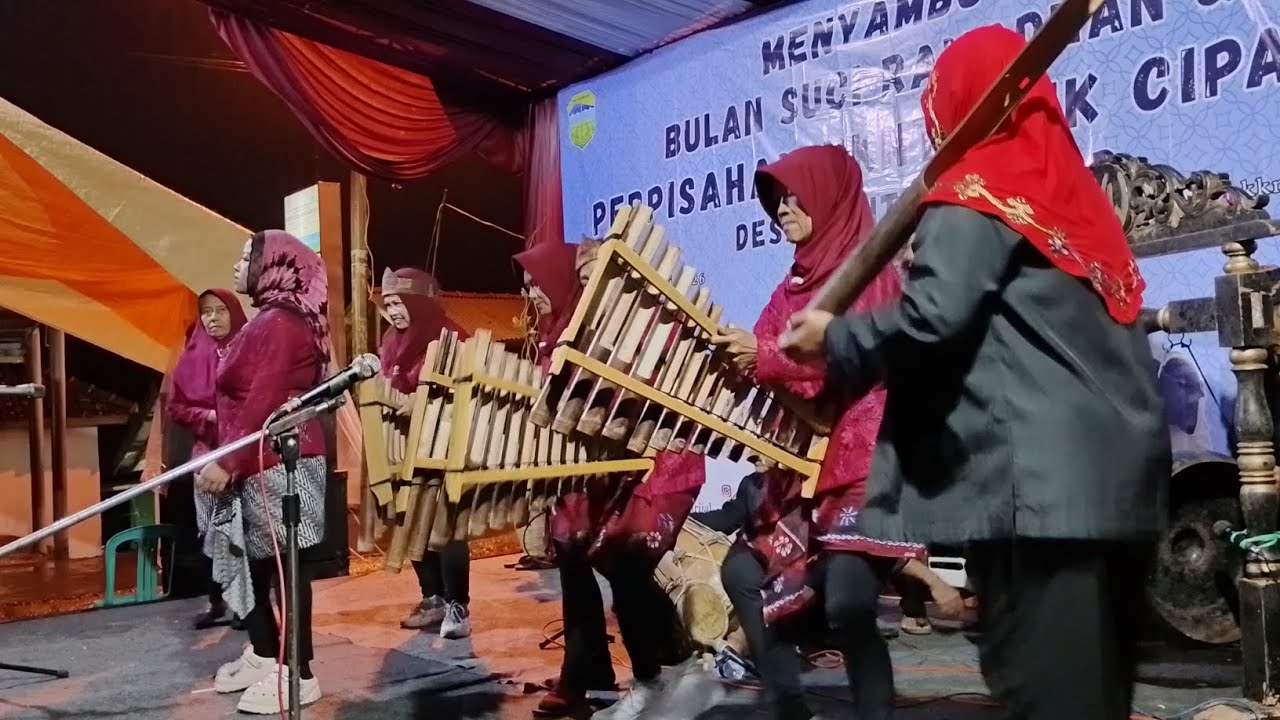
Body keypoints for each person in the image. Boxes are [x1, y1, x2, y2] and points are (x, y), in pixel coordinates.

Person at [782, 26, 1168, 720]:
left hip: (1037, 493)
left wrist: (834, 336)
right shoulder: (1072, 205)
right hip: (1110, 488)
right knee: (1094, 693)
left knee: (1044, 692)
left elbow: (932, 318)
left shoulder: (978, 187)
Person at [712, 144, 954, 720]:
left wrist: (765, 356)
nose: (783, 209)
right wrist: (737, 361)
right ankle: (790, 705)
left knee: (847, 600)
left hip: (865, 462)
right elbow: (770, 358)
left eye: (796, 196)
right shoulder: (789, 288)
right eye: (776, 199)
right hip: (804, 469)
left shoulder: (871, 278)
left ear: (829, 197)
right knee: (740, 572)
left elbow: (849, 357)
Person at [515, 241, 705, 720]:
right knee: (618, 570)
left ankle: (669, 674)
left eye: (600, 270)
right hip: (616, 472)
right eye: (584, 275)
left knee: (625, 567)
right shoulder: (576, 328)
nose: (592, 282)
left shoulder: (659, 324)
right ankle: (661, 677)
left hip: (665, 465)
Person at [199, 230, 333, 713]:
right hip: (254, 459)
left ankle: (300, 671)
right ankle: (263, 653)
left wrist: (230, 460)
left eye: (246, 257)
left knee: (285, 568)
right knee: (255, 563)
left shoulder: (281, 323)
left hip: (279, 462)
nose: (237, 265)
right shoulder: (269, 319)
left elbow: (266, 400)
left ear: (274, 265)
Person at [378, 267, 474, 638]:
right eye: (388, 304)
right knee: (412, 522)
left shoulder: (450, 337)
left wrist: (424, 400)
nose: (393, 311)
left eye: (399, 302)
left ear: (418, 303)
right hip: (405, 448)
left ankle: (457, 605)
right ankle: (432, 597)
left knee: (445, 527)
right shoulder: (390, 340)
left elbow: (469, 387)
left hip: (445, 445)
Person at [166, 289, 248, 629]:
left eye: (219, 311)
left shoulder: (248, 350)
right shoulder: (192, 354)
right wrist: (208, 416)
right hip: (205, 457)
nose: (212, 318)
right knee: (211, 533)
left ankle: (246, 607)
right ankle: (216, 602)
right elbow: (176, 408)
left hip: (243, 457)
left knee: (241, 534)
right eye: (206, 312)